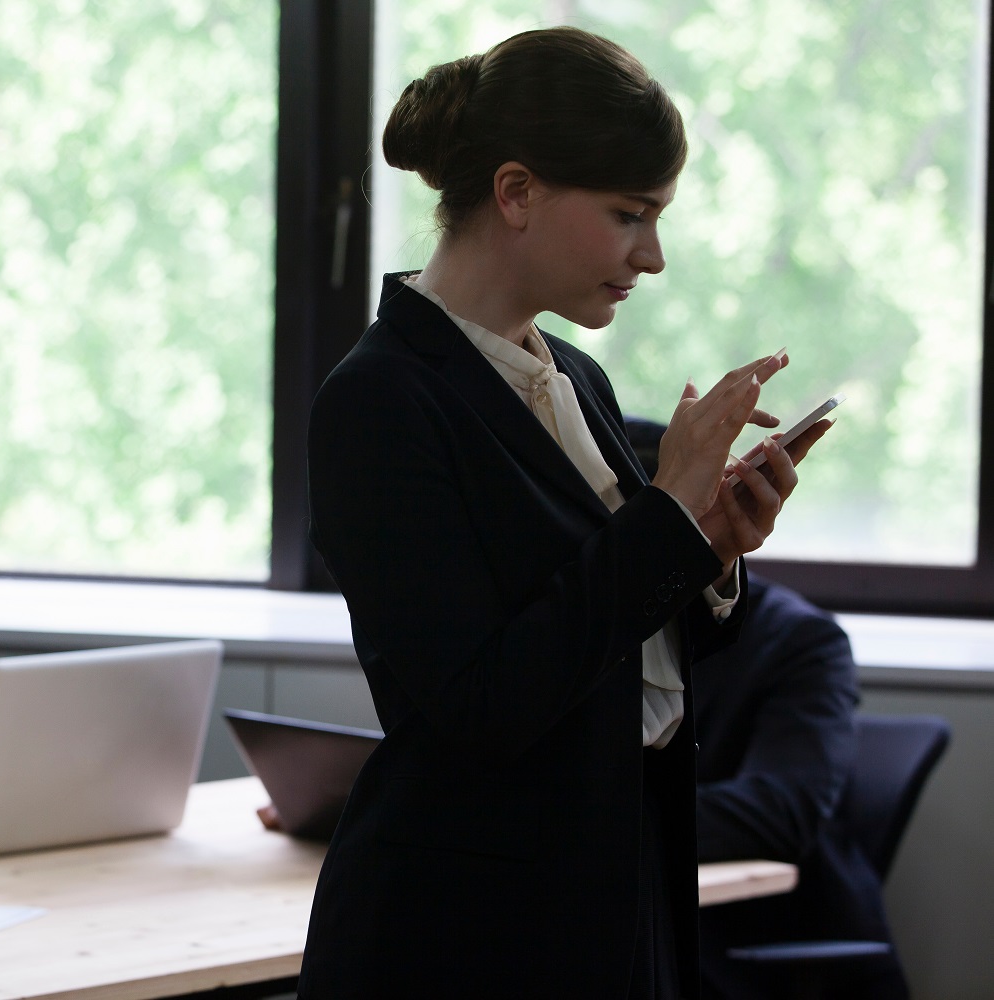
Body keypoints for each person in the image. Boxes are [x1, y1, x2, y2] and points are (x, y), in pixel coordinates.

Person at [297, 27, 832, 999]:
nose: (654, 254)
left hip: (617, 898)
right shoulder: (377, 400)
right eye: (631, 213)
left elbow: (621, 648)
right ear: (516, 193)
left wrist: (709, 551)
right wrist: (667, 515)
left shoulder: (573, 374)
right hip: (467, 939)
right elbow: (483, 702)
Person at [627, 417, 907, 999]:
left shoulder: (799, 641)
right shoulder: (597, 623)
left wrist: (608, 824)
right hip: (636, 925)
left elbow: (779, 811)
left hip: (751, 950)